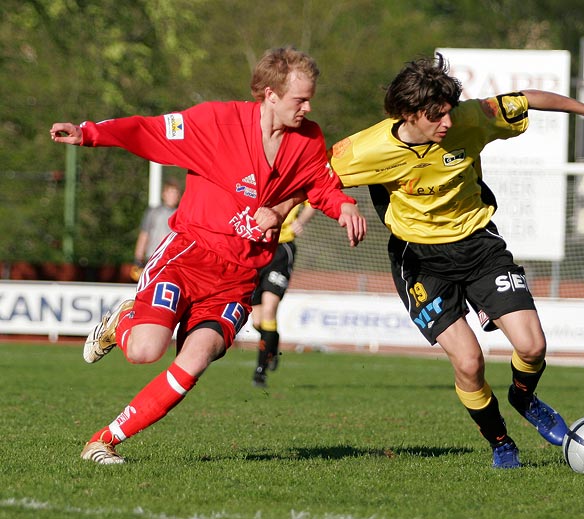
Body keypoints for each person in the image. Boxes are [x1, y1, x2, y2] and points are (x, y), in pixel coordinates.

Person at [50, 46, 367, 464]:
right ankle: (121, 322)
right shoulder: (216, 122)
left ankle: (103, 441)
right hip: (189, 257)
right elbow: (149, 129)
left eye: (311, 98)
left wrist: (342, 205)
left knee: (197, 357)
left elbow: (318, 183)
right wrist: (89, 133)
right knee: (145, 351)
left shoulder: (309, 138)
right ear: (269, 94)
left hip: (237, 278)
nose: (308, 107)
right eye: (300, 99)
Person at [328, 53, 584, 468]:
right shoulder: (364, 149)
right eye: (436, 116)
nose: (447, 123)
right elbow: (313, 175)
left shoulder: (470, 118)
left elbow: (527, 98)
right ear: (407, 113)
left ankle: (524, 397)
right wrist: (340, 204)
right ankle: (501, 442)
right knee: (469, 363)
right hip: (419, 260)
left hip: (478, 244)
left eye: (449, 113)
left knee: (533, 345)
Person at [251, 202, 315, 388]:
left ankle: (260, 371)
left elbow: (313, 201)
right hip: (256, 248)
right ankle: (271, 345)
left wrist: (301, 221)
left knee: (269, 310)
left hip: (281, 249)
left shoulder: (295, 176)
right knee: (257, 321)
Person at [130, 177, 182, 282]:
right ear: (164, 194)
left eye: (175, 193)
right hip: (153, 257)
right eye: (170, 192)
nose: (172, 195)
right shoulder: (153, 212)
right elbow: (144, 234)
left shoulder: (181, 214)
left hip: (172, 260)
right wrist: (138, 258)